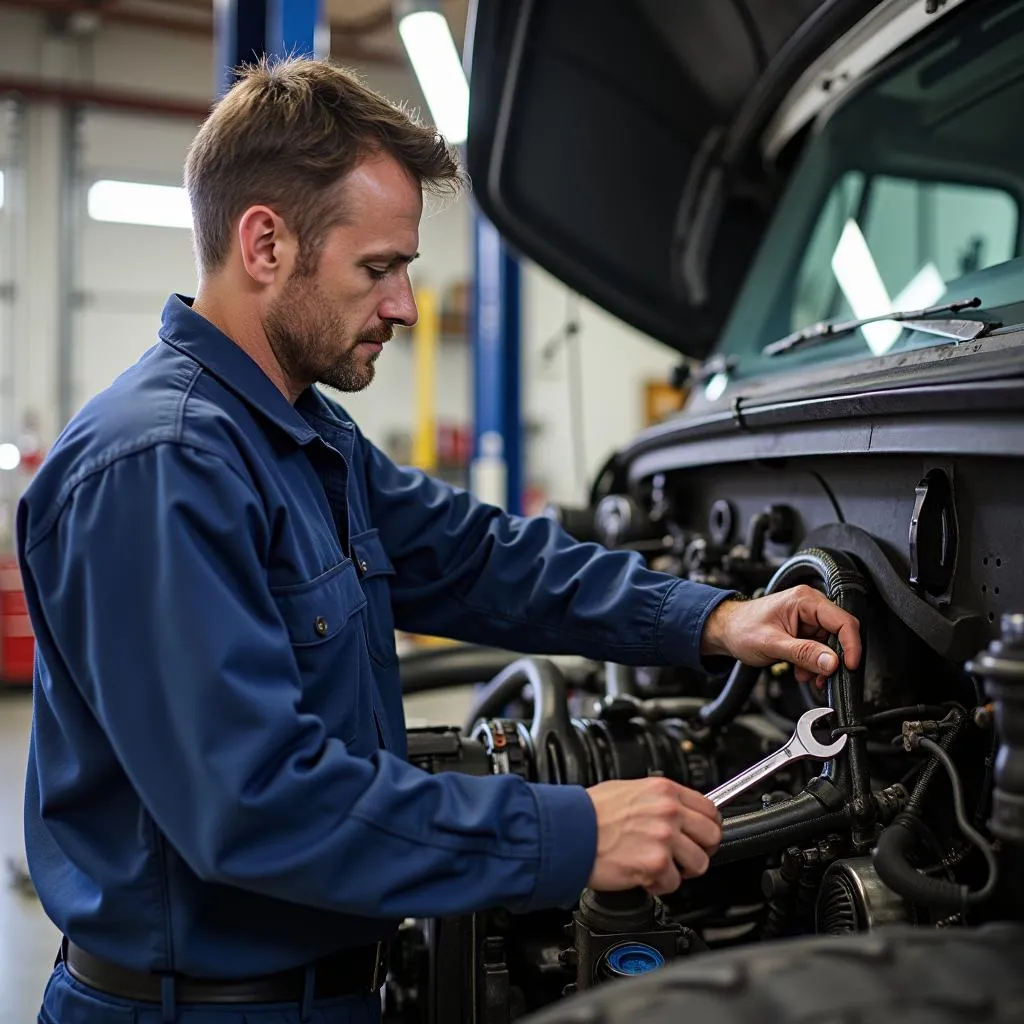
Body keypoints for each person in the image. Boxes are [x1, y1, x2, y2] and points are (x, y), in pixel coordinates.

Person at [17, 57, 862, 1024]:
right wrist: (571, 831)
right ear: (264, 245)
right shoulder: (157, 466)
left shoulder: (303, 434)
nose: (406, 306)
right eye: (378, 268)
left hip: (332, 987)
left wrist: (713, 618)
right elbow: (253, 803)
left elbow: (478, 556)